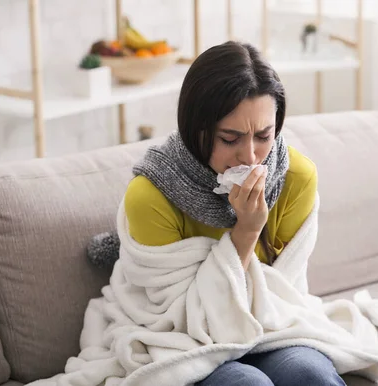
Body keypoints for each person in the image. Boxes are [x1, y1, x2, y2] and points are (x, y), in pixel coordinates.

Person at [123, 41, 346, 386]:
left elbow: (284, 297)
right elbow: (182, 320)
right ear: (195, 129)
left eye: (264, 135)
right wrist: (246, 233)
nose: (251, 157)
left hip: (270, 328)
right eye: (230, 139)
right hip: (185, 341)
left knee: (310, 374)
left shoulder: (295, 178)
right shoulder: (151, 194)